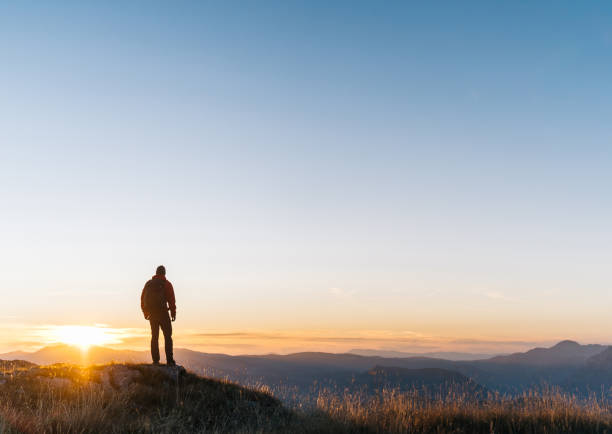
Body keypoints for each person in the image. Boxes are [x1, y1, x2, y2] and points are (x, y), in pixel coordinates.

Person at [141, 265, 176, 366]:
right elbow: (171, 300)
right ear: (164, 273)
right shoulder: (167, 284)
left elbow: (142, 299)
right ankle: (170, 360)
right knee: (168, 336)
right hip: (163, 313)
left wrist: (145, 312)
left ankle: (155, 361)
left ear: (156, 273)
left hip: (152, 314)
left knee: (154, 337)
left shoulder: (148, 284)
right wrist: (173, 313)